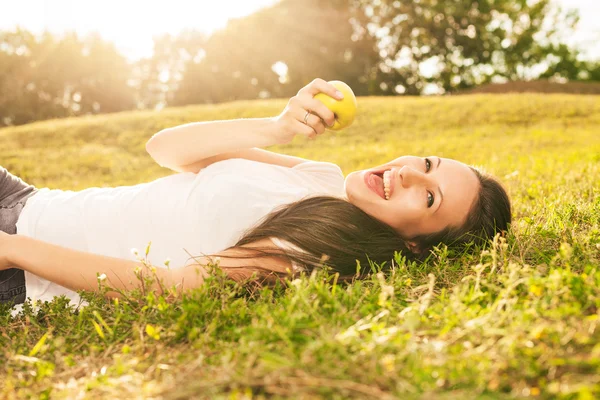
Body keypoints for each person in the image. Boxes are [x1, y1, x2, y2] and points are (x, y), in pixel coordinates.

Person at [0, 78, 511, 309]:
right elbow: (168, 149)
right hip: (27, 200)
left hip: (20, 270)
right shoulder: (320, 175)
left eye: (428, 198)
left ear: (418, 244)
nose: (408, 175)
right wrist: (278, 126)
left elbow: (168, 287)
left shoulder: (315, 252)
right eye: (426, 164)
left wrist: (13, 250)